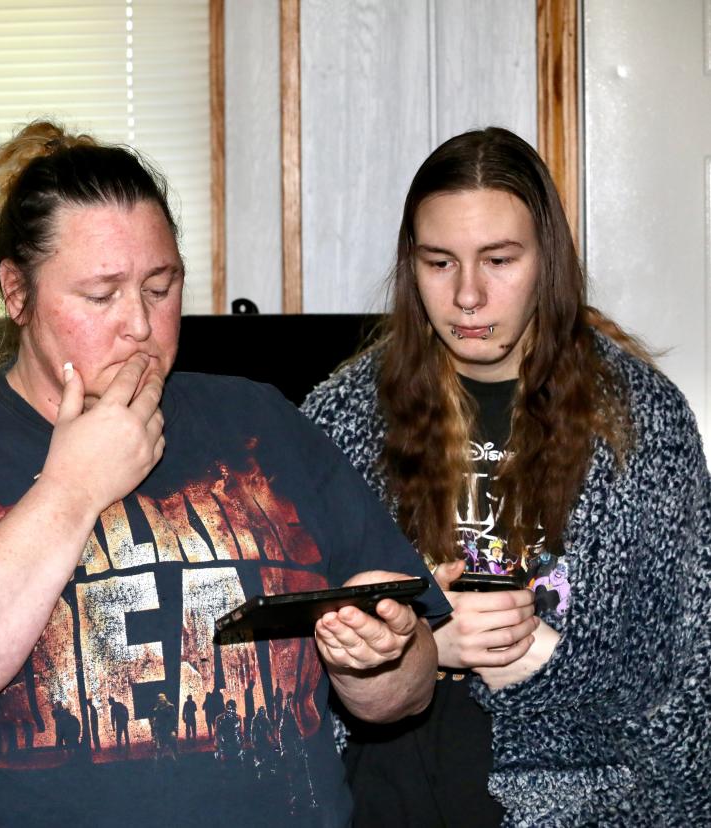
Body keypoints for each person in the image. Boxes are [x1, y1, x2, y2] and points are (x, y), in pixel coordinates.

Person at [0, 120, 448, 826]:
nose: (140, 324)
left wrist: (379, 658)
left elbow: (410, 688)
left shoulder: (261, 422)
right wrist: (74, 487)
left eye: (161, 286)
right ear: (17, 293)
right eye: (101, 295)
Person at [301, 126, 711, 826]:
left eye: (499, 260)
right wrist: (423, 648)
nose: (467, 295)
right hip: (383, 787)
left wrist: (547, 661)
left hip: (578, 801)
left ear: (547, 262)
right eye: (438, 262)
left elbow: (686, 704)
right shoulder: (338, 417)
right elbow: (282, 667)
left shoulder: (640, 423)